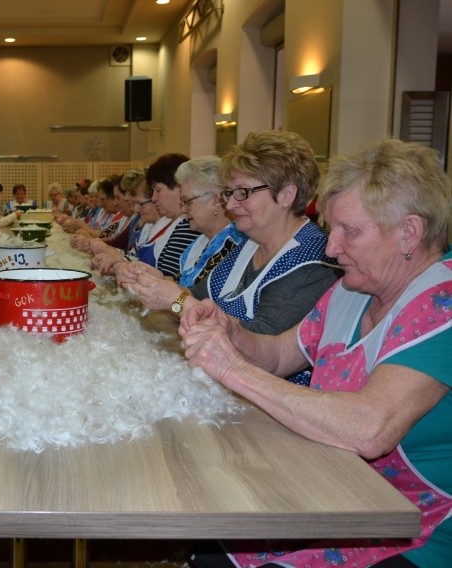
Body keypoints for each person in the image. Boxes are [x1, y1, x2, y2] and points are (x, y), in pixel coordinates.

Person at [181, 138, 452, 568]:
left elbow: (370, 429)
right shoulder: (351, 289)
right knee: (211, 549)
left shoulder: (444, 303)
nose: (330, 247)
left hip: (417, 529)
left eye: (351, 231)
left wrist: (231, 367)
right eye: (332, 228)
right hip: (339, 495)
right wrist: (230, 333)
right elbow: (279, 355)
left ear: (410, 233)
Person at [119, 131, 340, 385]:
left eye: (243, 193)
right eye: (230, 193)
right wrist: (159, 286)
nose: (231, 205)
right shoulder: (248, 245)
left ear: (286, 195)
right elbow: (195, 295)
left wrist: (175, 300)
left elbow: (263, 351)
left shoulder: (314, 259)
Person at [173, 156, 246, 286]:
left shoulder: (234, 245)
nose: (183, 209)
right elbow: (181, 283)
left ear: (216, 200)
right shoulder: (201, 242)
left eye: (187, 202)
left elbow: (203, 297)